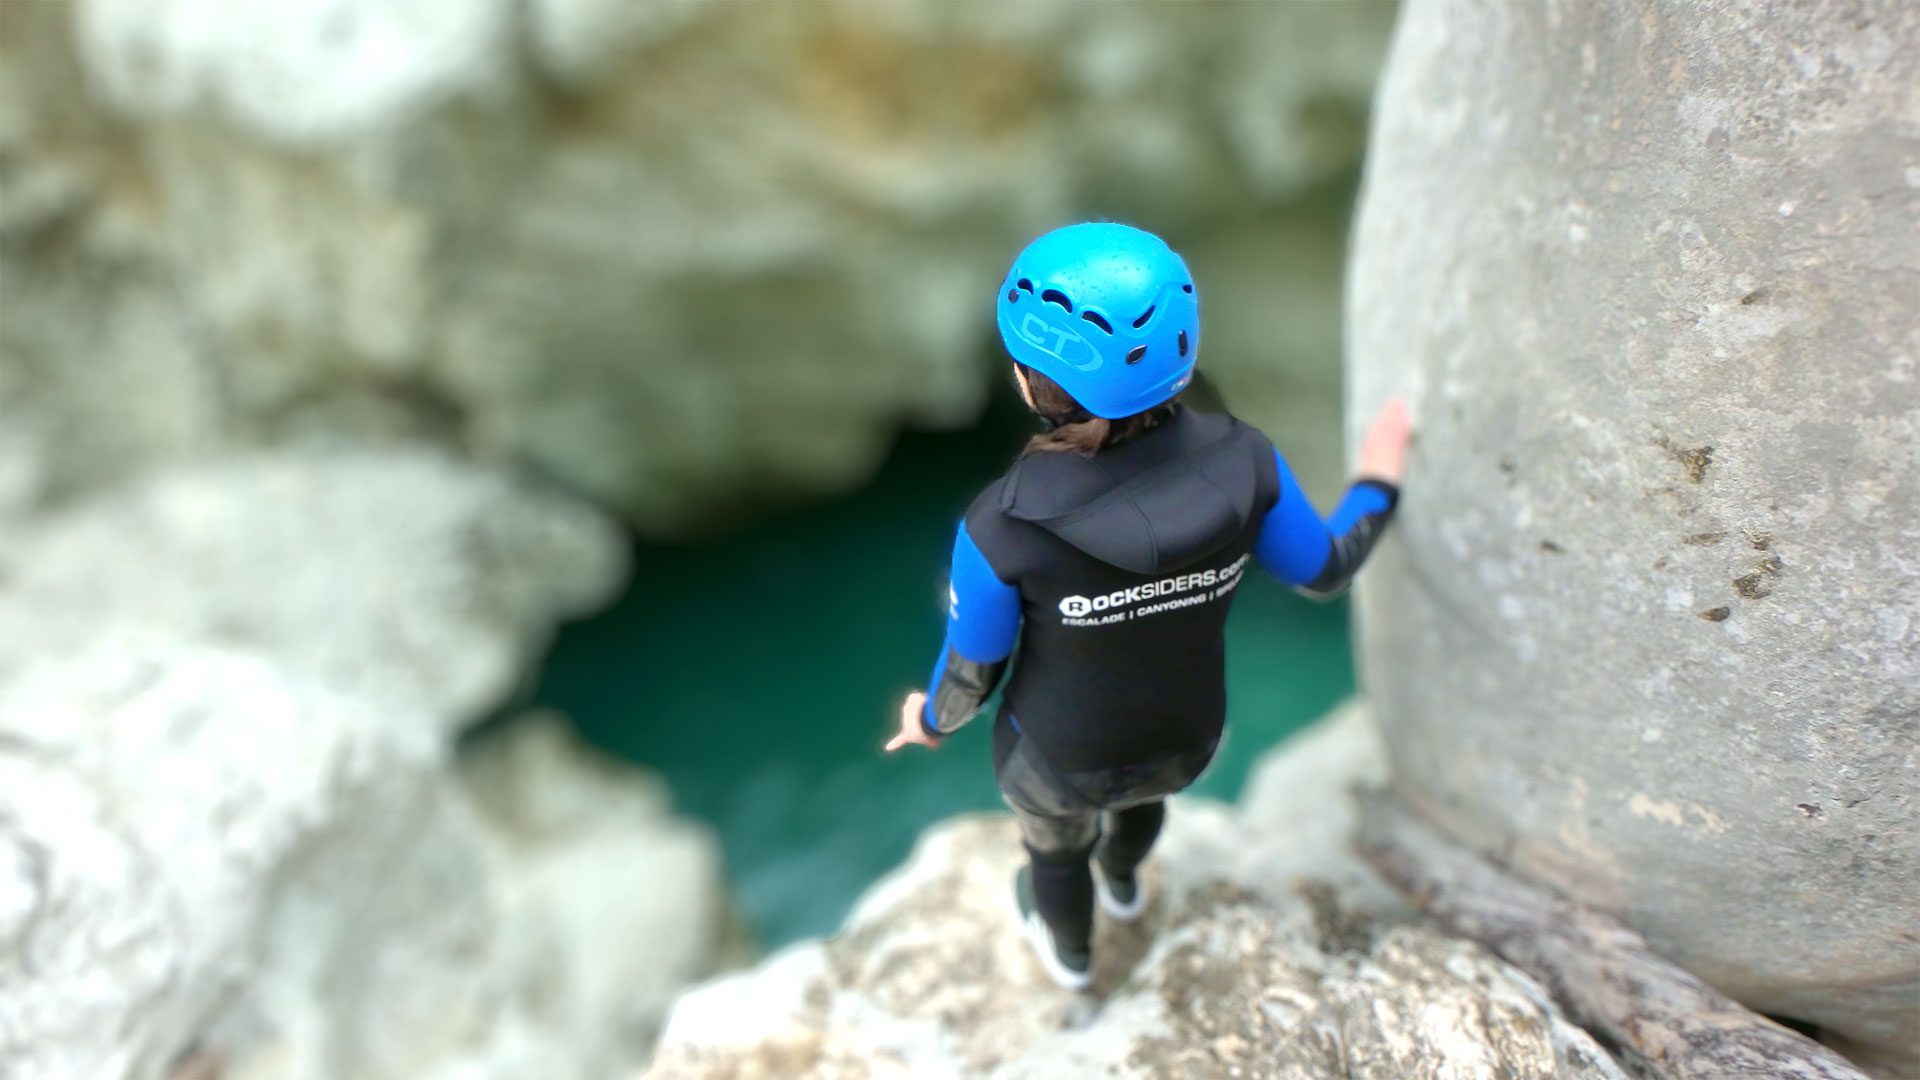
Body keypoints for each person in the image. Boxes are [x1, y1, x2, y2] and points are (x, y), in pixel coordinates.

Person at [884, 222, 1411, 990]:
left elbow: (972, 677)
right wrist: (1377, 483)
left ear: (1034, 383)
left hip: (1055, 761)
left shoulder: (1000, 530)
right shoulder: (1248, 462)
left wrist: (926, 721)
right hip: (1185, 738)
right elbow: (1325, 569)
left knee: (1055, 854)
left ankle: (1070, 957)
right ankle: (1127, 887)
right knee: (1141, 801)